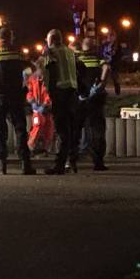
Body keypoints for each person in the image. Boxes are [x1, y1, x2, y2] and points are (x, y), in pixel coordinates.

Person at [0, 27, 35, 175]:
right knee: (20, 128)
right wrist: (26, 83)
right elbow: (31, 68)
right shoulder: (18, 53)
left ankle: (2, 165)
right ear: (11, 38)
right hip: (16, 95)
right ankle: (25, 164)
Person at [41, 28, 77, 175]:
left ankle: (59, 165)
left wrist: (49, 95)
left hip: (60, 93)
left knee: (62, 130)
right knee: (70, 128)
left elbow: (50, 74)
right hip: (72, 93)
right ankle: (71, 161)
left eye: (47, 39)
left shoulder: (51, 53)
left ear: (51, 40)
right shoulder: (70, 52)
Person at [74, 38, 110, 171]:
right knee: (97, 130)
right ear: (94, 47)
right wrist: (101, 84)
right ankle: (98, 162)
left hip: (79, 99)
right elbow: (107, 68)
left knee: (75, 130)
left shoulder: (77, 59)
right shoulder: (99, 59)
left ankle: (71, 160)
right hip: (96, 99)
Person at [26, 58, 54, 154]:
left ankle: (46, 148)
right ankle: (31, 145)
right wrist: (32, 102)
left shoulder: (49, 79)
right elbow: (29, 92)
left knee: (48, 128)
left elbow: (49, 94)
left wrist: (45, 104)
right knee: (37, 125)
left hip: (47, 108)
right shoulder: (33, 79)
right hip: (37, 108)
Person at [100, 29, 123, 95]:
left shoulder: (117, 46)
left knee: (115, 78)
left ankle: (117, 91)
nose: (109, 38)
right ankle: (101, 90)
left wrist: (113, 63)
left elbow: (118, 56)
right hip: (105, 63)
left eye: (111, 36)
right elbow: (101, 53)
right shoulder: (104, 45)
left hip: (113, 64)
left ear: (114, 37)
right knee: (103, 78)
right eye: (108, 36)